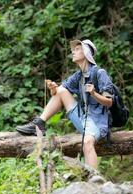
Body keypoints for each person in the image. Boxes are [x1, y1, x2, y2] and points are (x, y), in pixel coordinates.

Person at [16, 39, 114, 169]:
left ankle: (94, 180)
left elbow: (109, 102)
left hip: (97, 123)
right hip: (83, 119)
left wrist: (94, 94)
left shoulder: (100, 74)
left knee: (87, 142)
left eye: (78, 49)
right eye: (73, 49)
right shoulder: (78, 75)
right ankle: (39, 123)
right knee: (61, 90)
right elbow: (58, 93)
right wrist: (53, 88)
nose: (73, 52)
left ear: (86, 53)